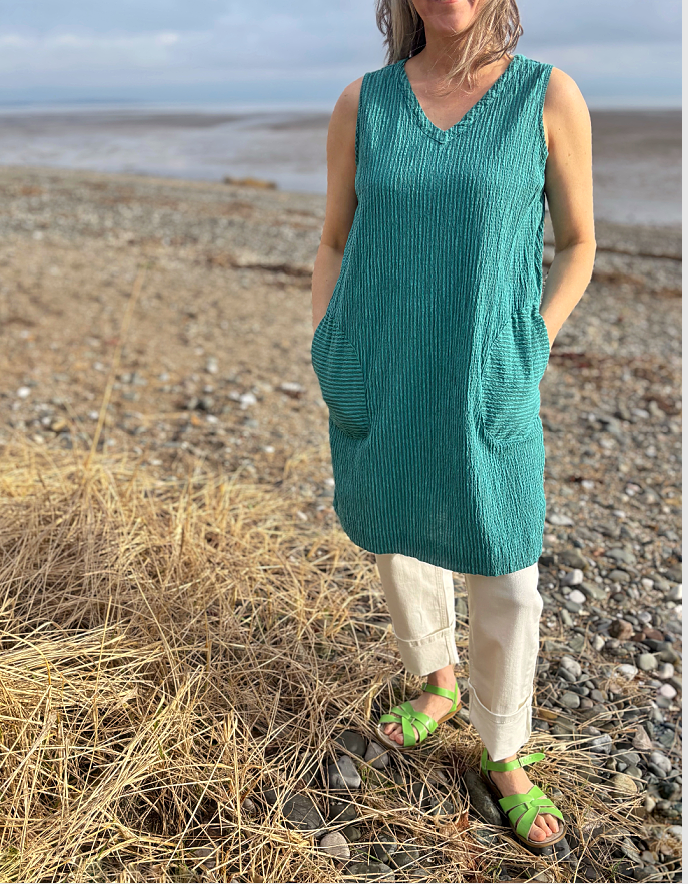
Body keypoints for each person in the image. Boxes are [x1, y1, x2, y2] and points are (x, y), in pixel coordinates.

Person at [310, 0, 595, 848]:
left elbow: (579, 242)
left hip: (487, 374)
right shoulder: (366, 102)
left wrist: (531, 343)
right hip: (380, 367)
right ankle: (433, 680)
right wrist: (330, 341)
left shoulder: (548, 96)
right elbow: (333, 239)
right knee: (398, 536)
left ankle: (505, 750)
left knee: (508, 570)